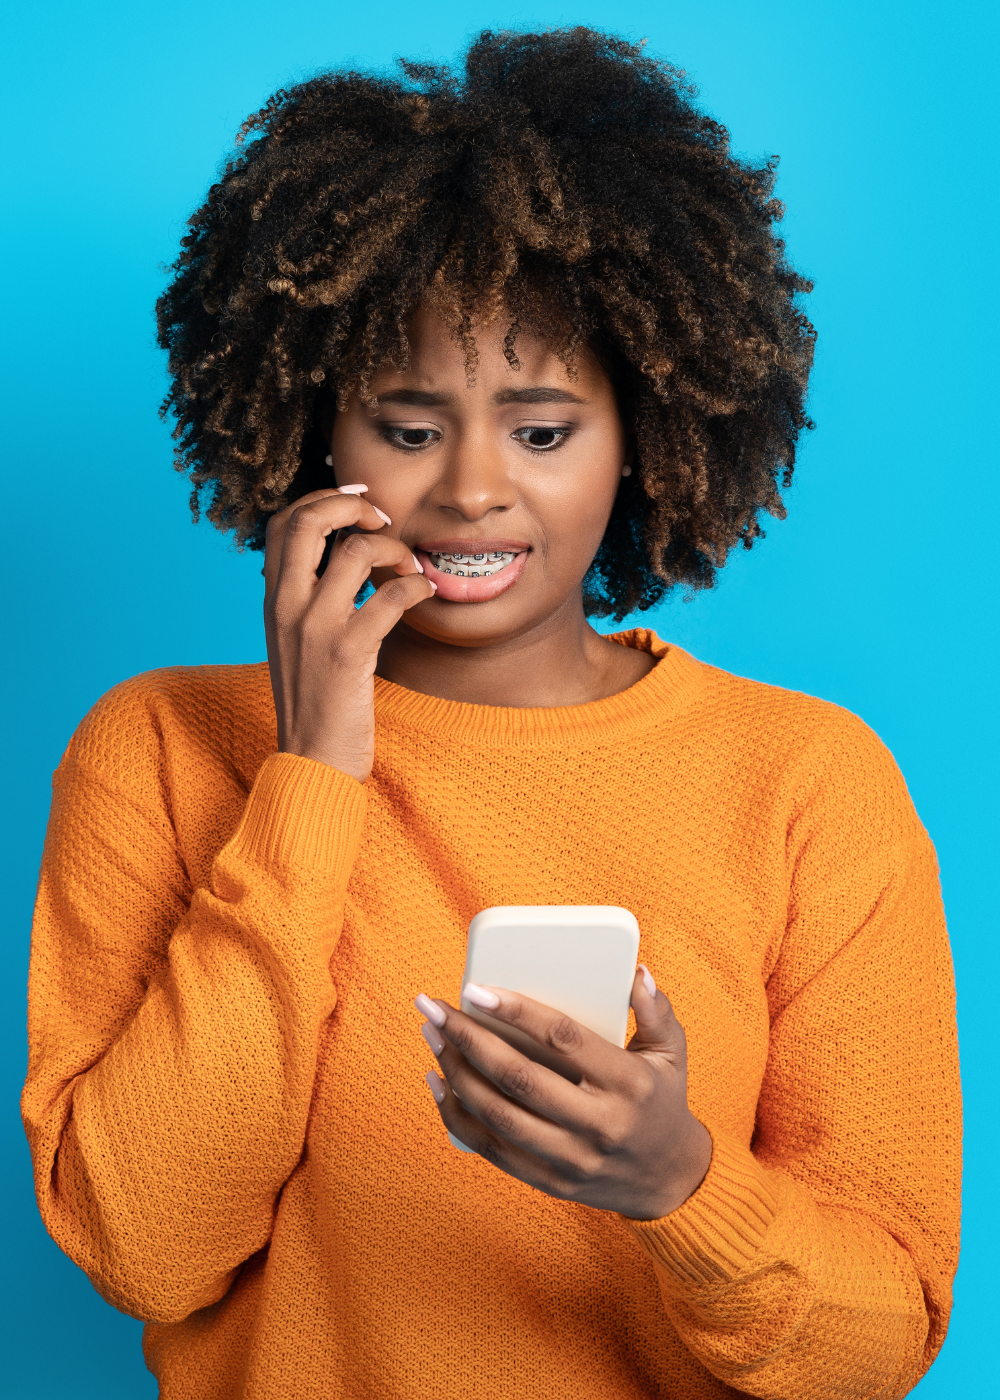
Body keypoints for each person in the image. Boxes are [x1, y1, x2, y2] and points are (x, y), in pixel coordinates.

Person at [21, 27, 960, 1400]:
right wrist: (313, 768)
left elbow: (877, 1346)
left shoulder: (810, 783)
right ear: (312, 438)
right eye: (407, 429)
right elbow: (145, 1251)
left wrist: (682, 1187)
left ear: (640, 436)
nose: (470, 491)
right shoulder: (158, 752)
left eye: (541, 430)